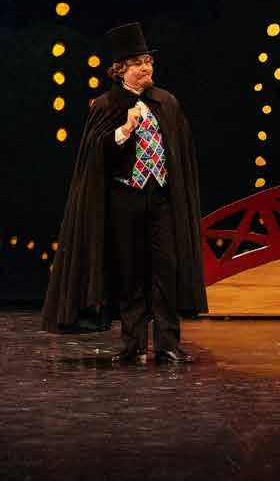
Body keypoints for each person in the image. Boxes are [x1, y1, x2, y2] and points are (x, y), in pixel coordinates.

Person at [43, 22, 208, 363]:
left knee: (165, 269)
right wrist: (123, 131)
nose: (146, 68)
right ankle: (133, 343)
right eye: (137, 63)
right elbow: (94, 154)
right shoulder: (106, 105)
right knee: (130, 271)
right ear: (120, 70)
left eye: (148, 61)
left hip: (161, 198)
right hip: (125, 199)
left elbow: (182, 151)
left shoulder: (166, 102)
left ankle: (167, 344)